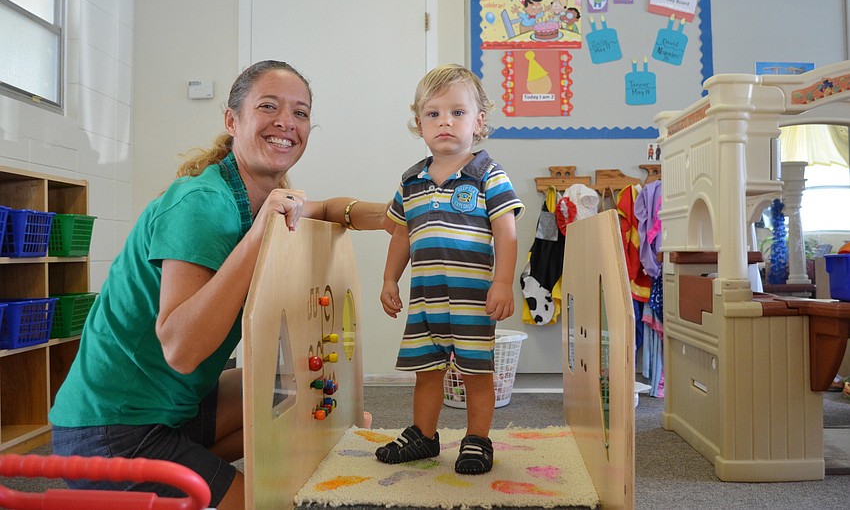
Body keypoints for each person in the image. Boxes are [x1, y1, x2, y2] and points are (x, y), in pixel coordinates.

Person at [49, 60, 391, 510]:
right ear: (232, 120)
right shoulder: (205, 204)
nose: (287, 122)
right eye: (268, 106)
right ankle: (168, 482)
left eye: (301, 113)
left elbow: (329, 209)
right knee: (271, 502)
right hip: (112, 433)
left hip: (170, 411)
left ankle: (190, 473)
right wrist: (255, 238)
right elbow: (182, 349)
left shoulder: (258, 199)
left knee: (299, 393)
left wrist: (394, 216)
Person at [376, 64, 524, 475]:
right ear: (419, 123)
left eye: (458, 112)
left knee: (477, 374)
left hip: (473, 300)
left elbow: (506, 233)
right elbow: (401, 236)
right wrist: (390, 278)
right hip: (426, 300)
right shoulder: (410, 182)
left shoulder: (488, 176)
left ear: (479, 121)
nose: (445, 122)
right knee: (427, 371)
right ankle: (424, 435)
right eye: (434, 113)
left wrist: (503, 283)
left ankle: (477, 440)